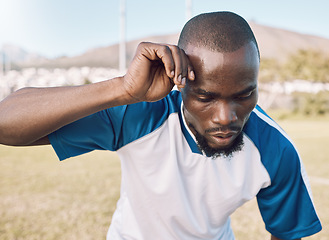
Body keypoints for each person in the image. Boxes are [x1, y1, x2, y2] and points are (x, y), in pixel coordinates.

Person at [0, 11, 322, 240]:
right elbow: (6, 122)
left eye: (244, 94)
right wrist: (124, 89)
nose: (226, 117)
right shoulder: (140, 114)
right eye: (206, 97)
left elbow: (285, 233)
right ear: (180, 85)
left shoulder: (276, 150)